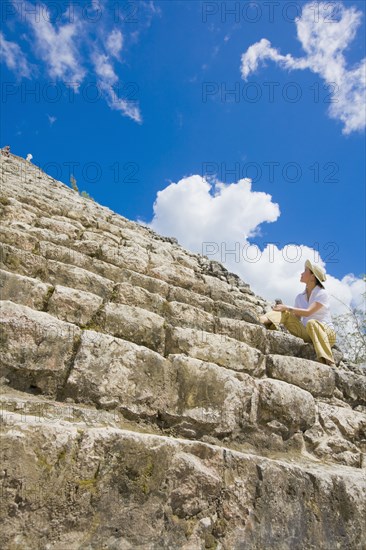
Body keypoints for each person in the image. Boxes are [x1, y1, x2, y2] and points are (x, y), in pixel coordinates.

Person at [260, 259, 336, 366]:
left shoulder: (322, 293)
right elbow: (296, 318)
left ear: (312, 277)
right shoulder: (300, 297)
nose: (301, 273)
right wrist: (284, 311)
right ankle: (263, 320)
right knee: (286, 312)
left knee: (312, 323)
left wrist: (287, 307)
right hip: (308, 334)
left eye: (305, 271)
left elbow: (308, 312)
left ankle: (328, 360)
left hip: (326, 335)